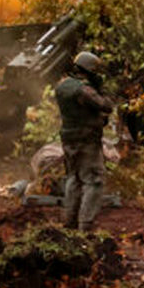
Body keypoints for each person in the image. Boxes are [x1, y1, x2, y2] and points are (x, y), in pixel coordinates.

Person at [54, 51, 113, 231]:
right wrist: (102, 89)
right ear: (89, 70)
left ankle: (69, 222)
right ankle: (85, 225)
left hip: (68, 139)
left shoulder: (62, 86)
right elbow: (106, 106)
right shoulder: (84, 90)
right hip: (86, 140)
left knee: (74, 178)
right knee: (94, 181)